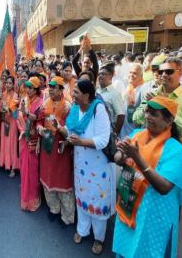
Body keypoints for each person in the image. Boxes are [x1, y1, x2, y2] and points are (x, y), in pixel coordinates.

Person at [113, 96, 182, 258]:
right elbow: (118, 159)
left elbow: (164, 187)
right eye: (147, 111)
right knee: (126, 248)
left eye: (154, 114)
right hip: (129, 204)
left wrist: (137, 157)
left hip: (154, 214)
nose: (147, 116)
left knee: (148, 250)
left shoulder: (174, 149)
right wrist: (122, 154)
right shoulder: (137, 134)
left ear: (169, 121)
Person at [66, 79, 113, 255]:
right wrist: (61, 130)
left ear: (87, 96)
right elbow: (70, 128)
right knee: (82, 195)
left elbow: (103, 139)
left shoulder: (98, 109)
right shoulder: (74, 108)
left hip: (98, 165)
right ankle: (83, 230)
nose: (73, 95)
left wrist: (81, 142)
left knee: (97, 198)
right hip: (80, 163)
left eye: (76, 92)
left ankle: (99, 238)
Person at [133, 57, 182, 170]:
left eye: (169, 71)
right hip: (147, 156)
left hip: (174, 161)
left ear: (180, 72)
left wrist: (166, 106)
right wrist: (149, 105)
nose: (163, 75)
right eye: (160, 72)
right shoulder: (153, 94)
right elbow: (136, 119)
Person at [37, 76, 74, 225]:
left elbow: (71, 130)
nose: (50, 89)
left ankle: (67, 216)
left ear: (61, 89)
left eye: (54, 87)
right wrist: (39, 128)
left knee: (62, 179)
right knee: (48, 177)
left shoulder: (68, 107)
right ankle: (54, 209)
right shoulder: (45, 104)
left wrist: (60, 127)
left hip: (61, 148)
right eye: (50, 86)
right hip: (47, 146)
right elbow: (39, 121)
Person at [18, 77, 43, 211]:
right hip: (24, 138)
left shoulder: (40, 102)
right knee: (24, 168)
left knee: (32, 170)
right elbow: (18, 117)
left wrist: (26, 112)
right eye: (27, 87)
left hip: (34, 139)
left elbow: (38, 118)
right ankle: (25, 198)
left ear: (36, 89)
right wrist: (22, 130)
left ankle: (33, 198)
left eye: (31, 88)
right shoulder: (24, 100)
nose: (28, 90)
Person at [0, 76, 19, 177]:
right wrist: (1, 109)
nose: (8, 85)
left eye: (10, 83)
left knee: (12, 144)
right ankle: (6, 163)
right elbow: (0, 107)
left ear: (13, 84)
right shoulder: (3, 94)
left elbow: (14, 111)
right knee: (5, 143)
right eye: (6, 83)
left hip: (12, 123)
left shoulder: (16, 95)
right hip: (4, 122)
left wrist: (8, 109)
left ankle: (13, 167)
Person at [97, 62, 125, 135]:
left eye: (103, 74)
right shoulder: (96, 91)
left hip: (108, 133)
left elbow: (121, 115)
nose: (100, 76)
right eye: (99, 74)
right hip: (96, 130)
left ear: (111, 76)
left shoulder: (115, 94)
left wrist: (115, 133)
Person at [120, 63, 144, 138]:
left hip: (135, 135)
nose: (131, 75)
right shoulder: (128, 88)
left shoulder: (143, 90)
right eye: (130, 72)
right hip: (123, 132)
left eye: (135, 73)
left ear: (141, 76)